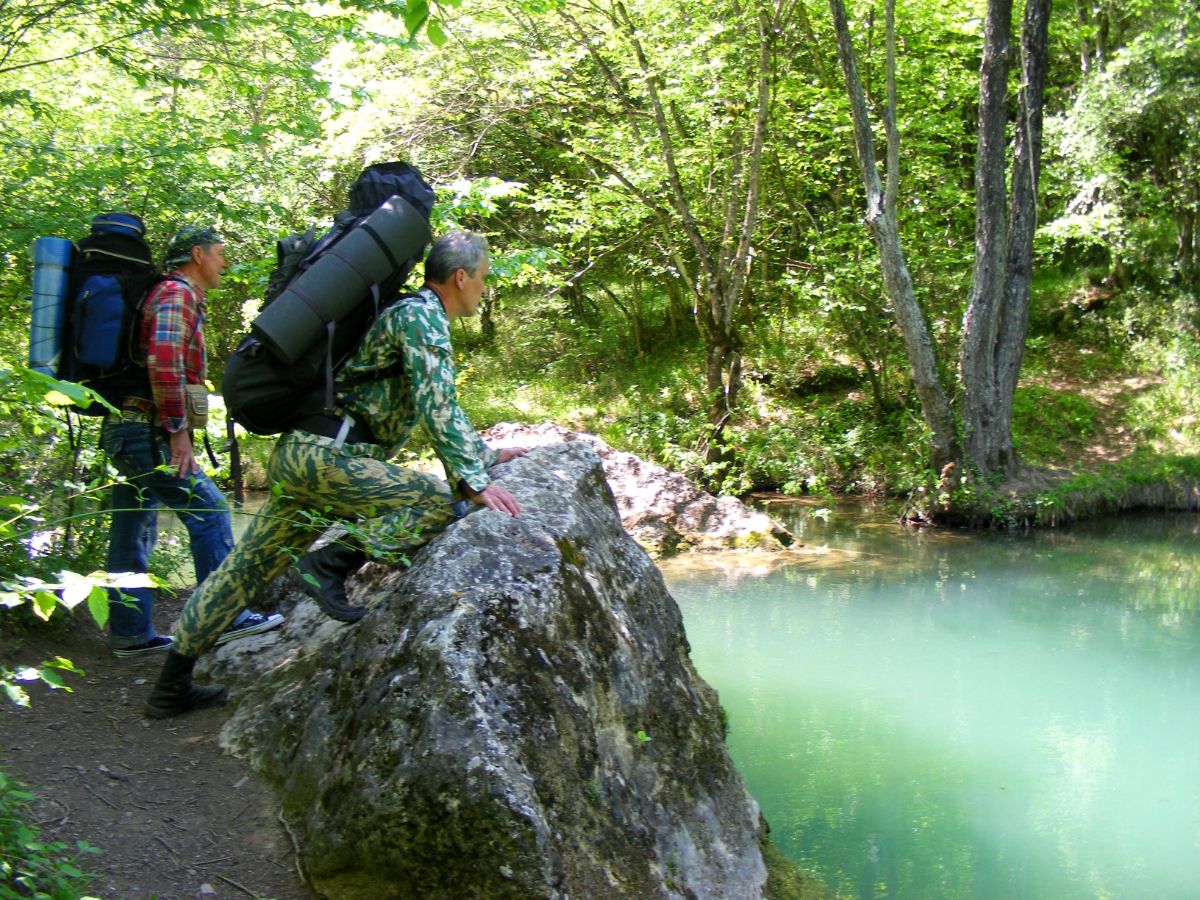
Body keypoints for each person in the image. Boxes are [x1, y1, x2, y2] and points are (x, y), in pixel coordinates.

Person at [143, 231, 527, 718]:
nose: (484, 288)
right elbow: (438, 403)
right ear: (460, 277)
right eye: (483, 278)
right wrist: (474, 481)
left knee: (245, 570)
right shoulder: (422, 316)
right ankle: (330, 564)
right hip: (331, 459)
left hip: (304, 457)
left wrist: (486, 454)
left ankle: (170, 685)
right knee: (441, 503)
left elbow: (440, 407)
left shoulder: (409, 313)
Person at [102, 225, 284, 657]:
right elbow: (163, 364)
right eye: (220, 253)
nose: (225, 263)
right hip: (146, 430)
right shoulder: (176, 295)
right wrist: (177, 433)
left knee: (132, 530)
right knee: (210, 510)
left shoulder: (170, 295)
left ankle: (130, 633)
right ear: (197, 255)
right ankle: (223, 617)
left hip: (126, 428)